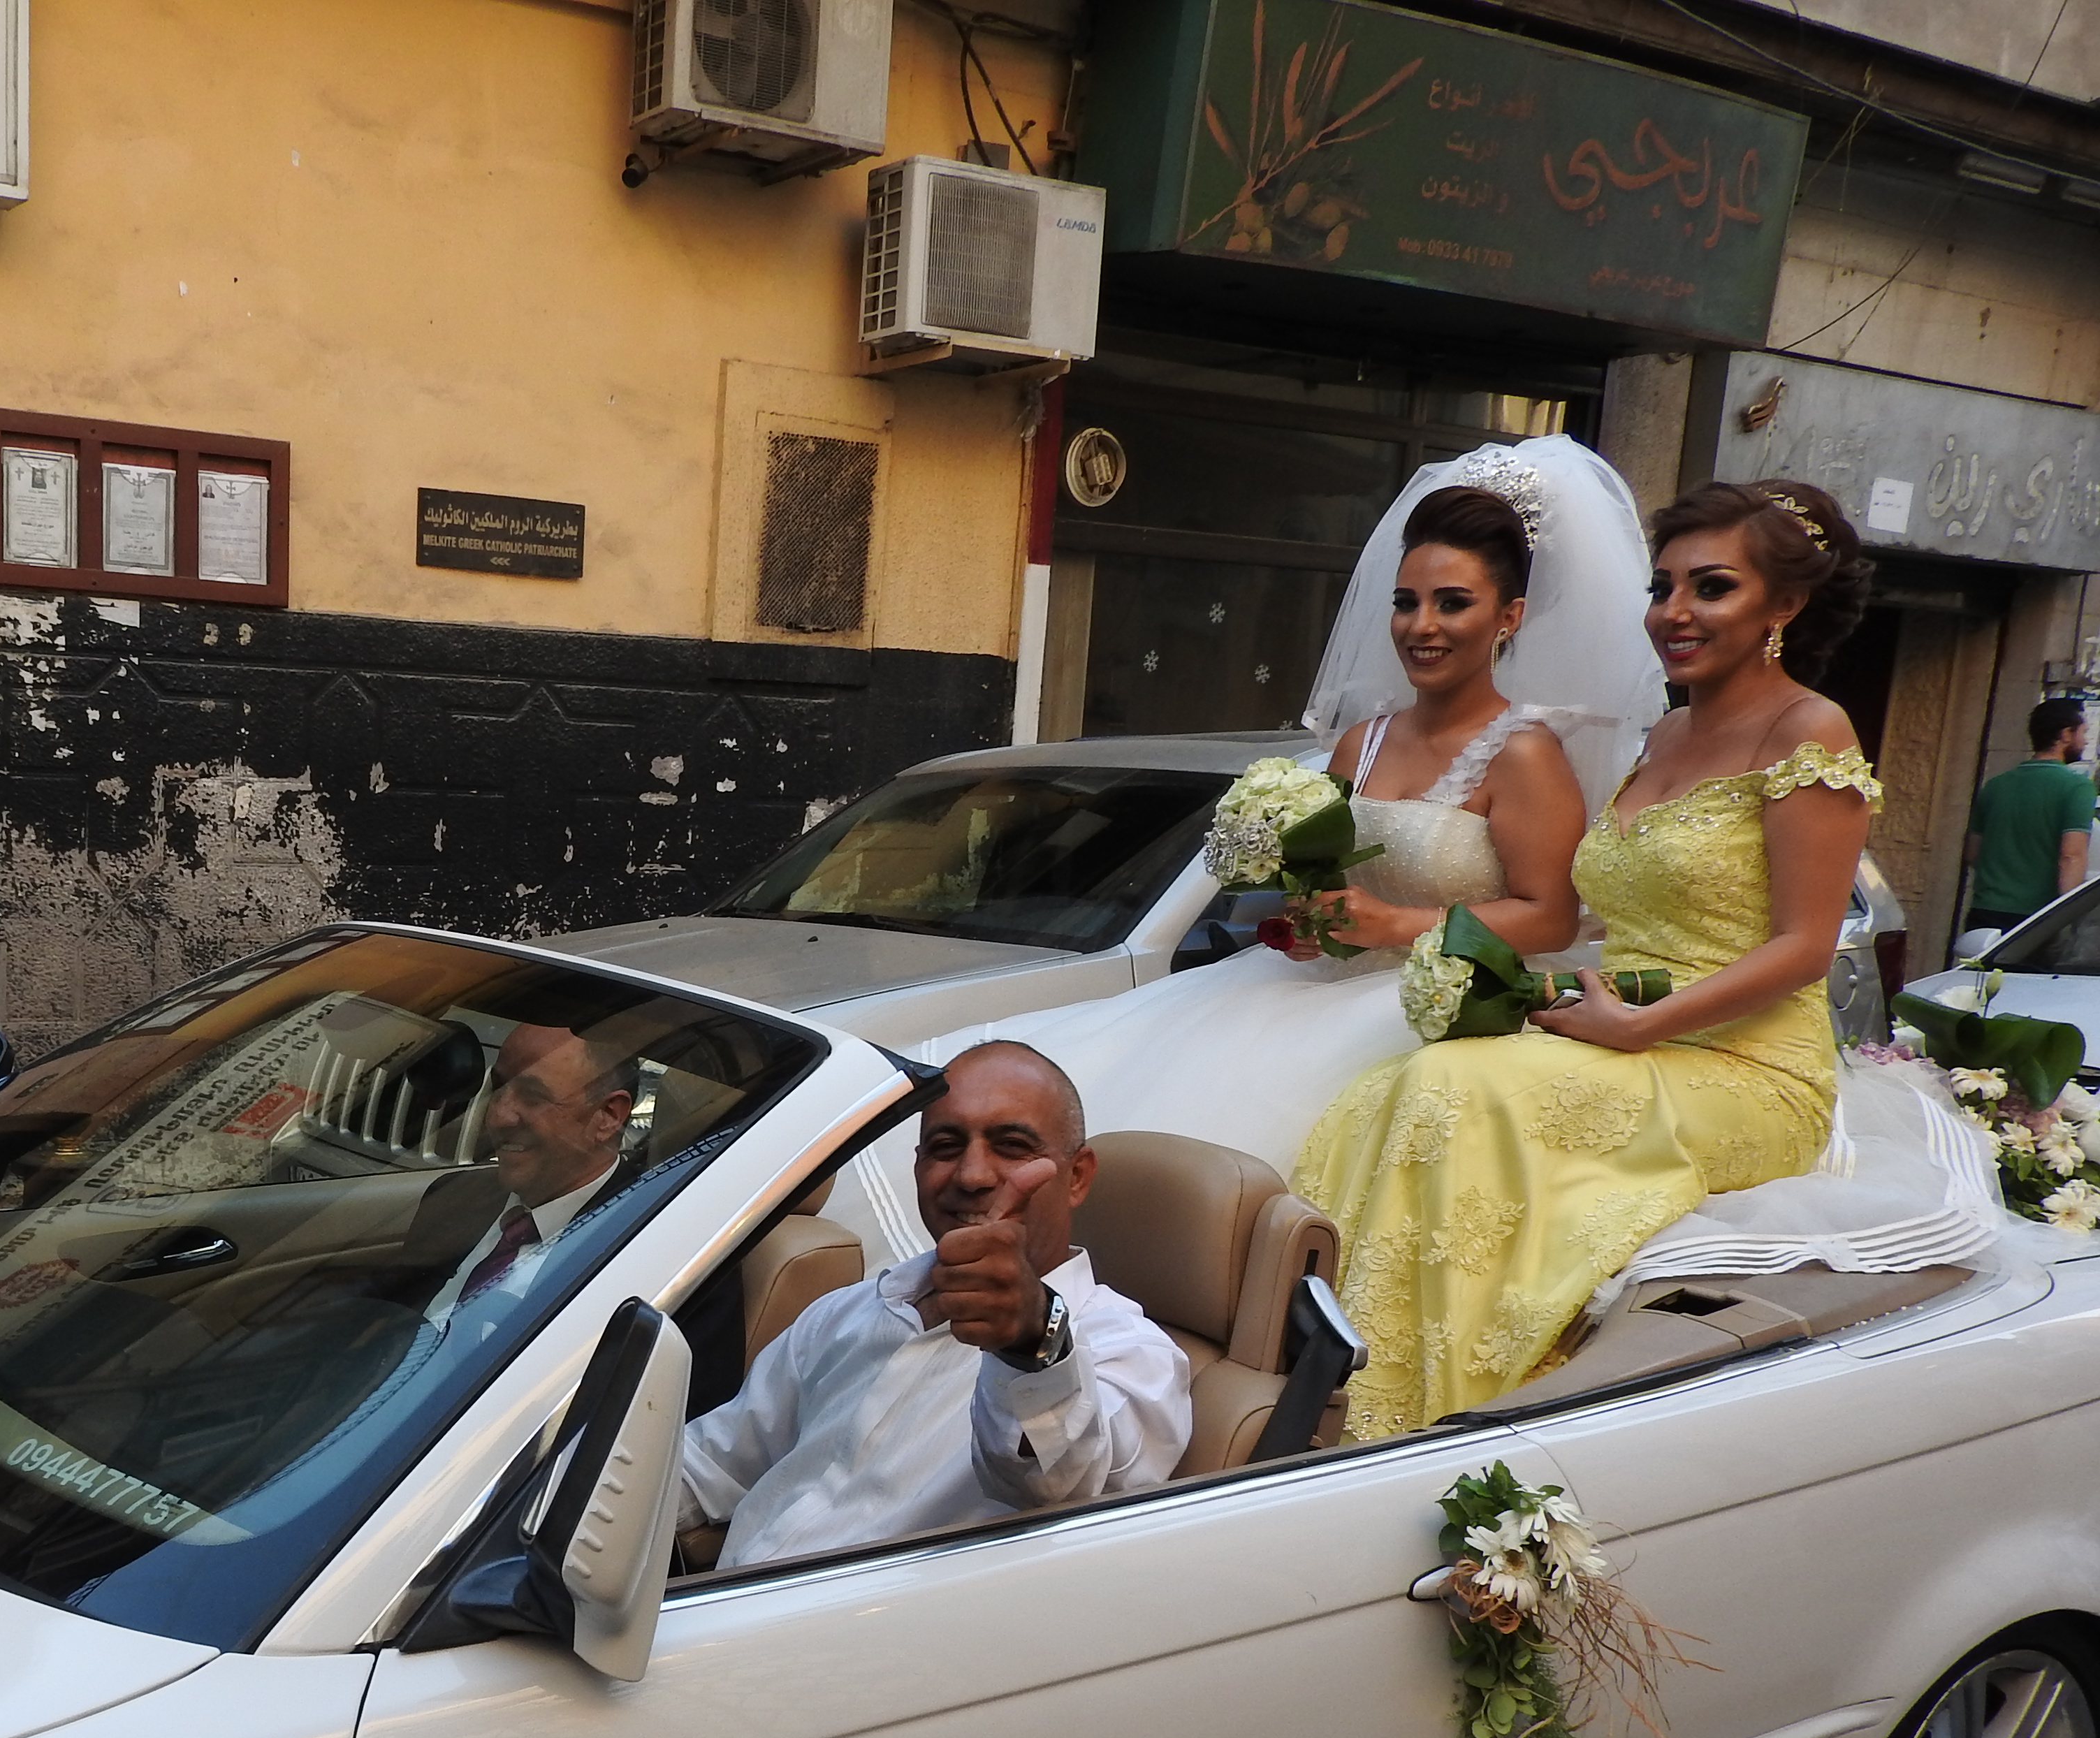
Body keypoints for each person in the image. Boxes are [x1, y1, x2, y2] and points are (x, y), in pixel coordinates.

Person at [819, 437, 1665, 1262]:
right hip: (1303, 982)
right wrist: (1309, 919)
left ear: (1508, 617)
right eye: (1407, 602)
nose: (1422, 626)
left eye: (1454, 603)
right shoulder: (1362, 744)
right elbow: (1325, 885)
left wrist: (1396, 925)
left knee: (1219, 1136)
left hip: (1415, 1006)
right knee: (1081, 1062)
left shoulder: (1525, 753)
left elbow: (1550, 913)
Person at [1292, 479, 1886, 1437]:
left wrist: (1642, 1019)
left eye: (1712, 587)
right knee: (1389, 1087)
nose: (1674, 613)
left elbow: (1803, 948)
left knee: (1453, 1089)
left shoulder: (1810, 731)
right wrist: (1559, 990)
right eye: (1663, 587)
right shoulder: (1666, 733)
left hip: (1749, 1067)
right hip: (1633, 1022)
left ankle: (1423, 1413)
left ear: (1785, 604)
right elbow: (1625, 922)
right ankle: (1335, 1372)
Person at [678, 1042, 1190, 1570]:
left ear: (1077, 1176)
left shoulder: (1131, 1350)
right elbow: (713, 1462)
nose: (972, 1176)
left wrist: (1031, 1341)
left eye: (1012, 1146)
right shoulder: (849, 1311)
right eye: (946, 1146)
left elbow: (1060, 1482)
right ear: (918, 1167)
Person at [424, 1021, 634, 1321]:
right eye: (498, 1087)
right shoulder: (450, 1198)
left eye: (534, 1098)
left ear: (607, 1117)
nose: (498, 1117)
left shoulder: (645, 1251)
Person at [1964, 697, 2093, 932]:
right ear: (2066, 735)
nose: (2085, 741)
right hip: (2036, 920)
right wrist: (2066, 919)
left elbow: (1973, 854)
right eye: (2083, 733)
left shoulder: (1995, 786)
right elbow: (2071, 857)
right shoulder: (2077, 788)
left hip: (1985, 914)